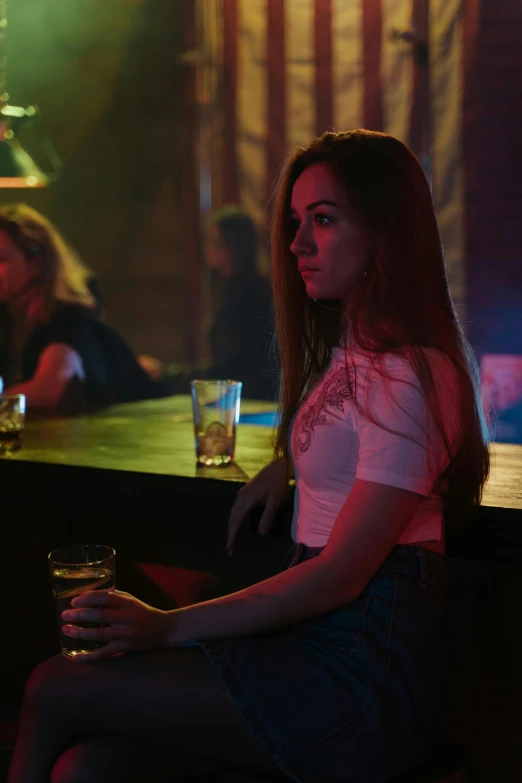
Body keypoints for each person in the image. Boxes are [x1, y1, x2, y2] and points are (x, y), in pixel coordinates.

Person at [7, 130, 489, 783]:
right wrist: (286, 462)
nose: (297, 244)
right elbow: (346, 443)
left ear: (386, 230)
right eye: (296, 221)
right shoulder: (354, 352)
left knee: (55, 683)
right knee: (88, 767)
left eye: (323, 219)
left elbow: (341, 574)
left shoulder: (411, 373)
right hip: (314, 645)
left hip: (358, 675)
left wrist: (165, 626)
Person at [0, 204, 167, 412]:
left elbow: (48, 389)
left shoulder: (66, 316)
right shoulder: (8, 319)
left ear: (38, 263)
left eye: (2, 259)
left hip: (142, 430)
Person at [164, 205, 277, 400]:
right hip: (237, 394)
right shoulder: (233, 290)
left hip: (250, 398)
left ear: (234, 246)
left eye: (215, 242)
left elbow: (233, 365)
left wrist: (171, 376)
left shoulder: (250, 295)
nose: (207, 248)